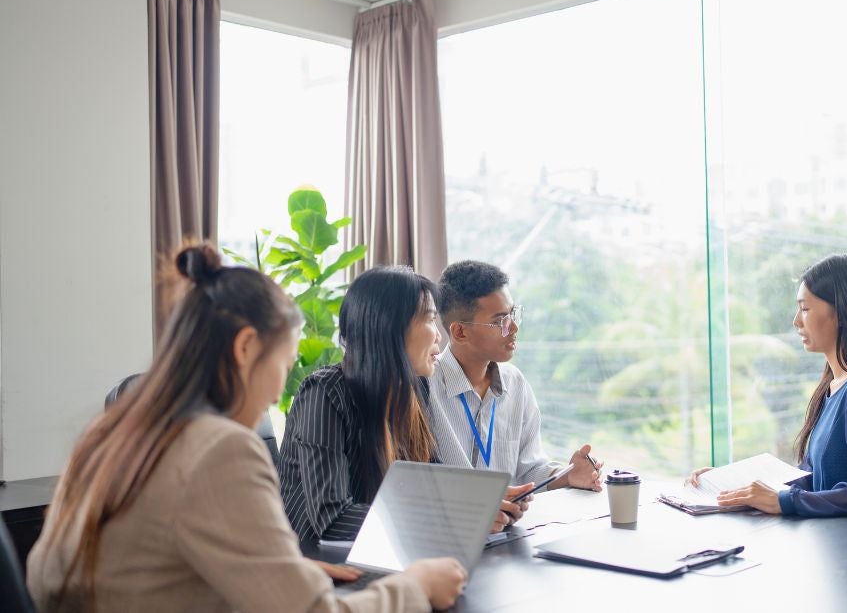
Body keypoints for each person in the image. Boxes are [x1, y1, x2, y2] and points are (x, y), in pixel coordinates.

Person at [26, 244, 466, 612]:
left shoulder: (115, 431)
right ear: (244, 349)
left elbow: (61, 574)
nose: (278, 393)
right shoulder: (220, 450)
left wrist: (280, 570)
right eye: (284, 363)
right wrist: (416, 586)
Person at [278, 265, 534, 539]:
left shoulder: (413, 389)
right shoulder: (325, 393)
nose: (439, 335)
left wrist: (485, 502)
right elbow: (332, 520)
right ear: (390, 328)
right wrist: (457, 517)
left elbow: (432, 484)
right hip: (319, 567)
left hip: (383, 557)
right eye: (430, 320)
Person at [689, 253, 847, 516]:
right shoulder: (835, 386)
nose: (796, 321)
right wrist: (732, 483)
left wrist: (789, 501)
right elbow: (817, 476)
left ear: (842, 313)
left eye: (805, 308)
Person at [426, 261, 602, 530]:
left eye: (513, 315)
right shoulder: (424, 387)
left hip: (506, 531)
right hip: (449, 533)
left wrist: (567, 475)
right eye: (499, 321)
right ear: (460, 332)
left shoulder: (515, 384)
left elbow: (530, 470)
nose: (514, 329)